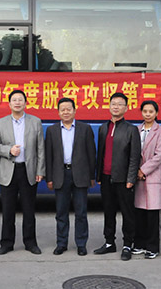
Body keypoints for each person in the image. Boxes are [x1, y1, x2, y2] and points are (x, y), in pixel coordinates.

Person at [0, 89, 45, 255]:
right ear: (9, 104)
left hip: (28, 171)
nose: (17, 102)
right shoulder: (1, 123)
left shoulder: (35, 122)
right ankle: (7, 243)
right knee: (8, 210)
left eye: (20, 100)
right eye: (14, 100)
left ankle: (30, 242)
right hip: (9, 171)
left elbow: (40, 148)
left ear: (25, 103)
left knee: (29, 210)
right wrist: (9, 150)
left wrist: (40, 170)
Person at [45, 97, 96, 256]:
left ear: (74, 111)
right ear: (58, 112)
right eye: (63, 109)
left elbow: (91, 154)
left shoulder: (85, 128)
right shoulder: (52, 130)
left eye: (69, 109)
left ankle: (81, 244)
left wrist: (92, 176)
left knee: (81, 212)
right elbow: (48, 156)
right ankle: (61, 243)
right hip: (61, 175)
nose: (66, 112)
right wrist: (49, 178)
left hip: (80, 175)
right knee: (61, 212)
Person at [93, 92, 140, 261]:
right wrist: (98, 176)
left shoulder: (131, 129)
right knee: (108, 211)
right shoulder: (103, 128)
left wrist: (131, 179)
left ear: (126, 108)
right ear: (109, 106)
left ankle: (127, 244)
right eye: (113, 104)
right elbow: (101, 153)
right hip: (106, 178)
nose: (116, 107)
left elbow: (134, 156)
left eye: (120, 104)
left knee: (127, 213)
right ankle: (109, 242)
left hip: (123, 179)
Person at [132, 100, 161, 259]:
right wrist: (136, 171)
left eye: (151, 111)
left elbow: (159, 155)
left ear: (156, 113)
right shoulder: (136, 129)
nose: (148, 114)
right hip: (138, 177)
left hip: (153, 176)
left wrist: (143, 170)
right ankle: (139, 244)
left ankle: (152, 247)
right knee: (139, 213)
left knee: (152, 215)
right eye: (145, 111)